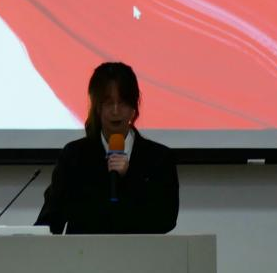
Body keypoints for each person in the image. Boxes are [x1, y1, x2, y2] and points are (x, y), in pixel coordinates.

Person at [36, 62, 179, 234]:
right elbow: (52, 216)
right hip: (85, 250)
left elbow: (166, 219)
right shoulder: (74, 156)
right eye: (108, 103)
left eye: (123, 102)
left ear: (134, 108)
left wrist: (130, 177)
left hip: (139, 251)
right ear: (97, 107)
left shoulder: (159, 158)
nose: (116, 111)